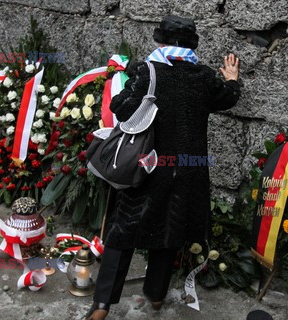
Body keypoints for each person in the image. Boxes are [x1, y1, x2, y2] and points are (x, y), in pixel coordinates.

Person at [86, 15, 240, 320]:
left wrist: (127, 83)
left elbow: (120, 106)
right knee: (169, 231)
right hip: (186, 171)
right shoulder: (205, 77)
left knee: (123, 232)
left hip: (147, 168)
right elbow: (227, 99)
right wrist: (232, 79)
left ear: (161, 42)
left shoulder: (147, 71)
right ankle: (156, 296)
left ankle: (102, 304)